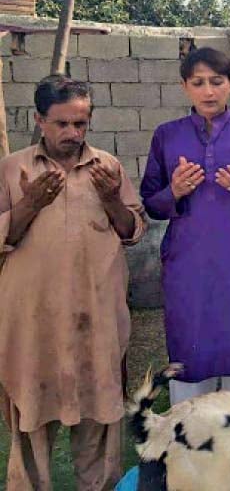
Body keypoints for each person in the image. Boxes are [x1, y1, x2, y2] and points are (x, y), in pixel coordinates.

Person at [0, 76, 145, 490]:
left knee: (99, 410)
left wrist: (113, 198)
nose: (72, 134)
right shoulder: (13, 169)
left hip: (95, 316)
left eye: (80, 124)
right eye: (61, 124)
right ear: (39, 120)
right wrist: (30, 204)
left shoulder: (108, 168)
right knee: (32, 409)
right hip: (33, 319)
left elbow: (132, 231)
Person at [140, 47, 230, 404]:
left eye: (217, 82)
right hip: (190, 267)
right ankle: (197, 445)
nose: (209, 91)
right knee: (193, 349)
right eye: (199, 83)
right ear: (184, 87)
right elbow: (150, 202)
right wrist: (174, 191)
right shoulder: (167, 136)